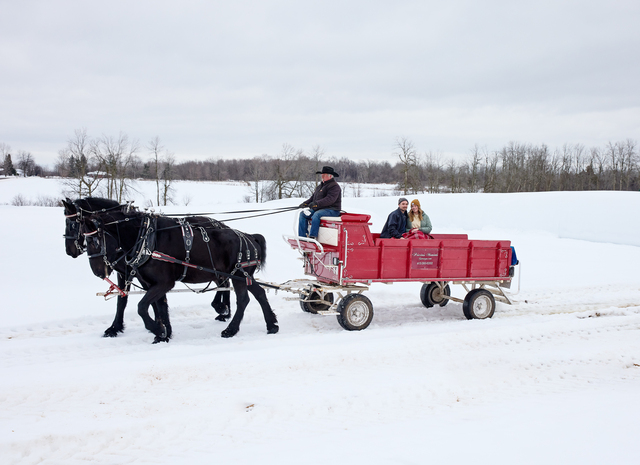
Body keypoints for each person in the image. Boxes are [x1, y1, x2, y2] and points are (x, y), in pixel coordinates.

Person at [298, 166, 342, 239]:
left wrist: (316, 204)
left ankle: (313, 237)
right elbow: (313, 197)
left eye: (324, 175)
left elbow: (330, 199)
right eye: (322, 174)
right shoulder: (320, 186)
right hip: (320, 209)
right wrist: (305, 203)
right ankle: (303, 237)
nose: (322, 176)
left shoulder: (334, 186)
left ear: (330, 176)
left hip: (332, 210)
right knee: (303, 214)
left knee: (316, 215)